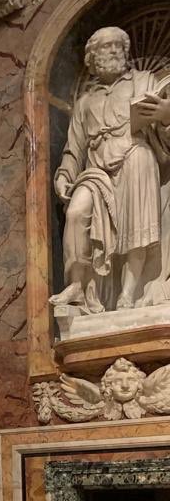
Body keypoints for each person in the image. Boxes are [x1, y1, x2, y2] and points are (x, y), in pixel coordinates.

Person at [50, 26, 170, 313]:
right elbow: (74, 149)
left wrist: (166, 115)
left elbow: (164, 138)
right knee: (76, 212)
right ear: (92, 58)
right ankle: (77, 285)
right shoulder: (84, 103)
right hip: (97, 172)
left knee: (136, 223)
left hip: (136, 155)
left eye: (119, 46)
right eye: (106, 46)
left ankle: (129, 293)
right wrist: (64, 175)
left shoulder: (143, 81)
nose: (115, 51)